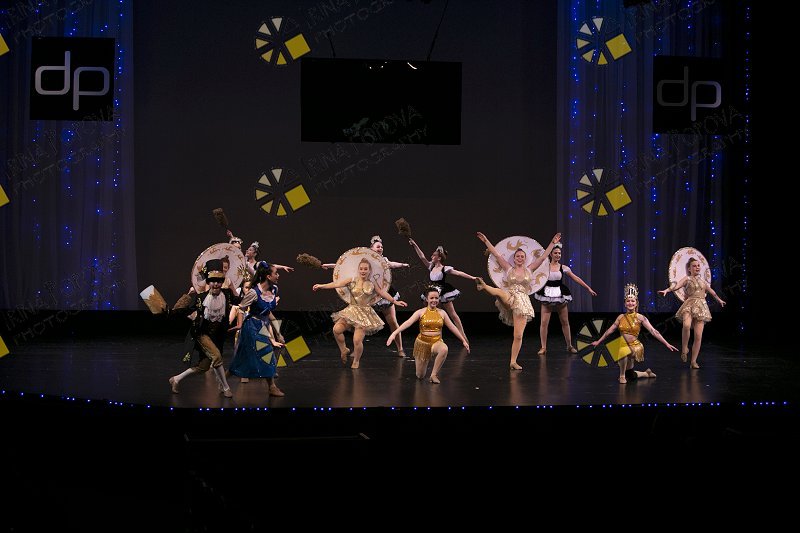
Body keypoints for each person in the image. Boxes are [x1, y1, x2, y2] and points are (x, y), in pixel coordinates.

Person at [475, 231, 561, 370]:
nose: (520, 258)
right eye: (517, 256)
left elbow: (543, 257)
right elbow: (496, 254)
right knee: (500, 293)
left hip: (522, 302)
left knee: (518, 335)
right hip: (510, 296)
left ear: (525, 259)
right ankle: (484, 286)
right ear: (514, 259)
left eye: (522, 256)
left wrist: (553, 243)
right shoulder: (508, 268)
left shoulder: (529, 269)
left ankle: (513, 362)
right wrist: (485, 241)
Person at [323, 235, 410, 357]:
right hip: (367, 293)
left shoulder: (383, 260)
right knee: (360, 322)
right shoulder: (363, 261)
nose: (380, 248)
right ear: (371, 249)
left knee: (392, 321)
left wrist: (403, 265)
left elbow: (392, 264)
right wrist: (331, 266)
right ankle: (356, 350)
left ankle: (400, 349)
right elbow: (346, 265)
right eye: (378, 246)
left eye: (381, 247)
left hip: (382, 292)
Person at [313, 257, 408, 369]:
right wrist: (321, 286)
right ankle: (344, 349)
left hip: (364, 314)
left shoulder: (372, 283)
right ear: (358, 270)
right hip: (351, 311)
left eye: (365, 269)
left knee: (357, 340)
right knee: (336, 330)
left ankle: (356, 361)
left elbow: (383, 293)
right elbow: (337, 283)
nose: (363, 271)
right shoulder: (352, 279)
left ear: (369, 270)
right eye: (361, 269)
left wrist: (395, 301)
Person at [168, 259, 240, 397]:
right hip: (202, 334)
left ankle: (176, 379)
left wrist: (236, 288)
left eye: (218, 281)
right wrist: (172, 310)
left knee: (203, 367)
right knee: (217, 356)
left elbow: (239, 301)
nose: (215, 284)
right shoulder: (201, 298)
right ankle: (225, 388)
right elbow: (184, 310)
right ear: (208, 282)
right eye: (212, 281)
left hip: (217, 336)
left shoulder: (227, 295)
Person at [591, 283, 678, 383]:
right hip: (623, 345)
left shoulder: (640, 317)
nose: (630, 303)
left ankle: (622, 376)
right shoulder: (620, 317)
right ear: (625, 303)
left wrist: (666, 343)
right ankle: (646, 373)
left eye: (633, 301)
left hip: (635, 346)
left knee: (623, 351)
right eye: (628, 301)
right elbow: (609, 331)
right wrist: (598, 341)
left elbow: (653, 331)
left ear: (636, 303)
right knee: (630, 374)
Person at [386, 286, 469, 384]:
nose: (434, 300)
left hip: (436, 342)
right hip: (422, 344)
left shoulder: (442, 313)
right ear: (426, 299)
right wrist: (394, 333)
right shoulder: (421, 312)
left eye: (436, 298)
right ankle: (426, 363)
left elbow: (452, 327)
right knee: (420, 375)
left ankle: (433, 375)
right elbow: (408, 323)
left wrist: (463, 340)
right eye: (432, 298)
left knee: (444, 349)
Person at [228, 262, 285, 396]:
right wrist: (240, 324)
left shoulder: (273, 290)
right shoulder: (254, 292)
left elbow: (268, 313)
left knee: (243, 357)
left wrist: (278, 333)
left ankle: (224, 381)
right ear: (268, 276)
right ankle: (272, 387)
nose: (278, 275)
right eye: (276, 273)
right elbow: (241, 308)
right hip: (252, 326)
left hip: (263, 326)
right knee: (266, 353)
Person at [658, 257, 726, 368]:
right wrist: (667, 290)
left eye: (698, 265)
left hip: (701, 307)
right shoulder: (687, 279)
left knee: (698, 336)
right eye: (694, 266)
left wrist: (719, 300)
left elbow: (711, 291)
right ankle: (685, 347)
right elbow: (676, 286)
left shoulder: (703, 281)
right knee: (686, 325)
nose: (697, 267)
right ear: (689, 269)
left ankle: (693, 361)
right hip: (689, 305)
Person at [408, 238, 476, 344]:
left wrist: (473, 278)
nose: (431, 257)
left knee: (453, 315)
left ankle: (463, 336)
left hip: (443, 292)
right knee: (435, 315)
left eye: (434, 255)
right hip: (432, 292)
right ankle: (437, 338)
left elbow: (459, 273)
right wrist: (414, 245)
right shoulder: (430, 266)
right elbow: (422, 256)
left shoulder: (445, 269)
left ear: (439, 258)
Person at [534, 241, 597, 355]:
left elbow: (576, 278)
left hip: (560, 294)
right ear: (551, 254)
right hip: (547, 294)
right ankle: (543, 347)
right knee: (544, 322)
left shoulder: (563, 268)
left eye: (559, 253)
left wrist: (588, 288)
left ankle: (569, 346)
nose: (558, 255)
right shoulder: (544, 267)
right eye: (555, 253)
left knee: (565, 321)